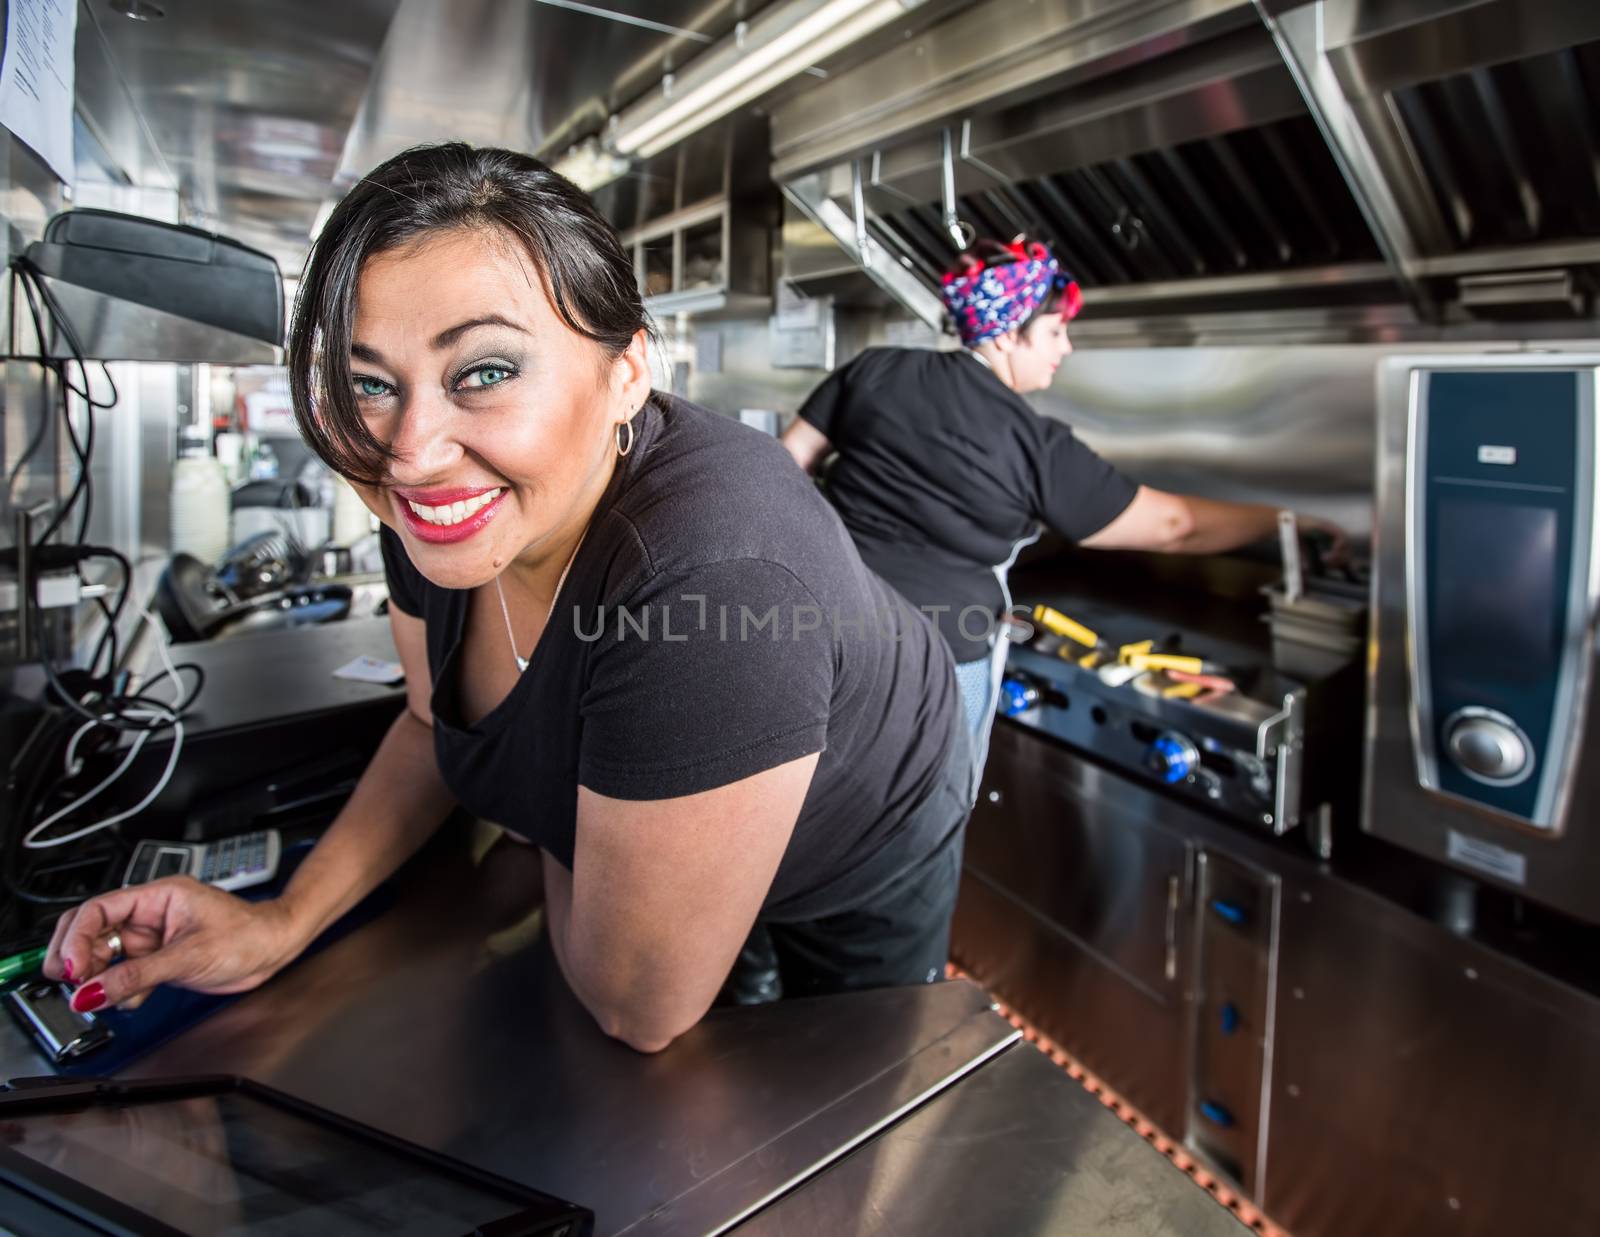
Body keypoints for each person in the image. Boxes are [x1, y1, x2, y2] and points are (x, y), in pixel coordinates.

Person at [43, 144, 969, 1053]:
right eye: (371, 382)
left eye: (484, 371)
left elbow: (637, 1006)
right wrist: (280, 921)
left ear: (628, 372)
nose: (411, 449)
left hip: (860, 844)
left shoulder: (714, 573)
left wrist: (554, 833)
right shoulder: (432, 507)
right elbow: (425, 725)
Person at [781, 235, 1346, 769]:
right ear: (1006, 334)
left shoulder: (877, 369)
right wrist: (1284, 519)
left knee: (820, 801)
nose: (1065, 347)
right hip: (939, 662)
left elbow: (787, 465)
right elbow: (1175, 527)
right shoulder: (1036, 445)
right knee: (918, 824)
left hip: (828, 631)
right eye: (1054, 332)